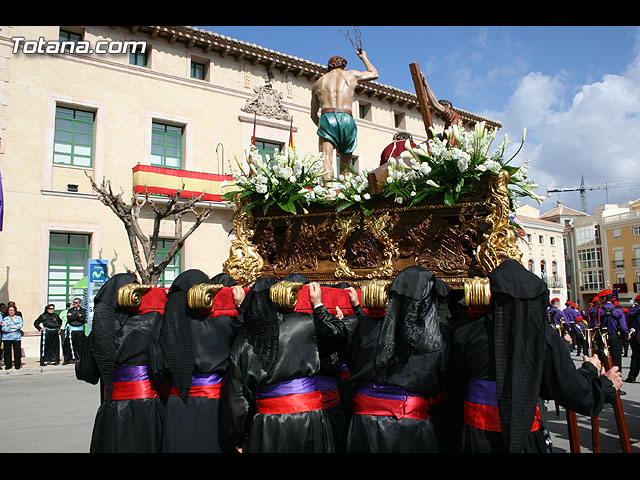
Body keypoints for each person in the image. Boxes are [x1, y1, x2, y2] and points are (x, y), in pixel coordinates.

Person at [445, 259, 622, 453]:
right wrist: (605, 384)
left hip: (475, 436)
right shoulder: (542, 334)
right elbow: (566, 387)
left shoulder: (467, 331)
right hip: (523, 435)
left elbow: (454, 384)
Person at [222, 277, 338, 453]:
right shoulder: (306, 323)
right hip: (309, 416)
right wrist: (319, 307)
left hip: (269, 422)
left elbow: (237, 395)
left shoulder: (244, 339)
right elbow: (338, 334)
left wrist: (239, 435)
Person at [344, 265, 448, 453]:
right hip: (405, 419)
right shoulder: (438, 335)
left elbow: (353, 359)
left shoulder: (368, 326)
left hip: (371, 417)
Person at [149, 269, 245, 453]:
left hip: (179, 401)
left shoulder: (168, 324)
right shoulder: (223, 320)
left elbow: (158, 368)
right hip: (215, 403)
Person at [76, 273, 167, 453]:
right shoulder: (152, 320)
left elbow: (86, 372)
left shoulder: (101, 329)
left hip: (113, 405)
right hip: (147, 403)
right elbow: (163, 366)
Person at [310, 51, 378, 178]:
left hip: (327, 116)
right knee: (346, 166)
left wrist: (323, 126)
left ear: (328, 67)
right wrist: (364, 58)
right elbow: (374, 74)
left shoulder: (318, 83)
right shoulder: (351, 74)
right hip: (347, 117)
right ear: (344, 67)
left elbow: (313, 115)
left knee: (326, 159)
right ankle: (345, 192)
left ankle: (329, 193)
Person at [594, 289, 629, 376]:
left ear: (604, 299)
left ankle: (605, 381)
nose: (599, 300)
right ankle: (617, 383)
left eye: (601, 298)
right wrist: (626, 336)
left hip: (602, 338)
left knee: (604, 361)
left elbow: (594, 325)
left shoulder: (598, 311)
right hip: (614, 337)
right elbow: (623, 327)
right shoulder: (618, 310)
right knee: (617, 361)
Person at [63, 297, 86, 364]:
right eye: (73, 302)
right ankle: (67, 359)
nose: (74, 304)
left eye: (76, 303)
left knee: (80, 345)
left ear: (79, 303)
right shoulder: (70, 310)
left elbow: (83, 319)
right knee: (68, 345)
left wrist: (75, 316)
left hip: (79, 330)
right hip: (72, 330)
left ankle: (79, 359)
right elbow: (70, 318)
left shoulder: (82, 310)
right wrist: (78, 315)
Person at [2, 304, 23, 370]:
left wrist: (11, 327)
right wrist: (14, 328)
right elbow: (4, 328)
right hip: (6, 337)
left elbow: (20, 325)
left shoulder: (18, 318)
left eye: (12, 310)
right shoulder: (5, 319)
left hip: (16, 337)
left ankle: (17, 364)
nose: (11, 312)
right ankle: (8, 365)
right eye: (9, 310)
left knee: (17, 351)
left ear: (15, 311)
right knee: (7, 351)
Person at [625, 294, 640, 383]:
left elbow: (628, 319)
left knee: (635, 357)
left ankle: (632, 376)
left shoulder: (633, 310)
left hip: (635, 334)